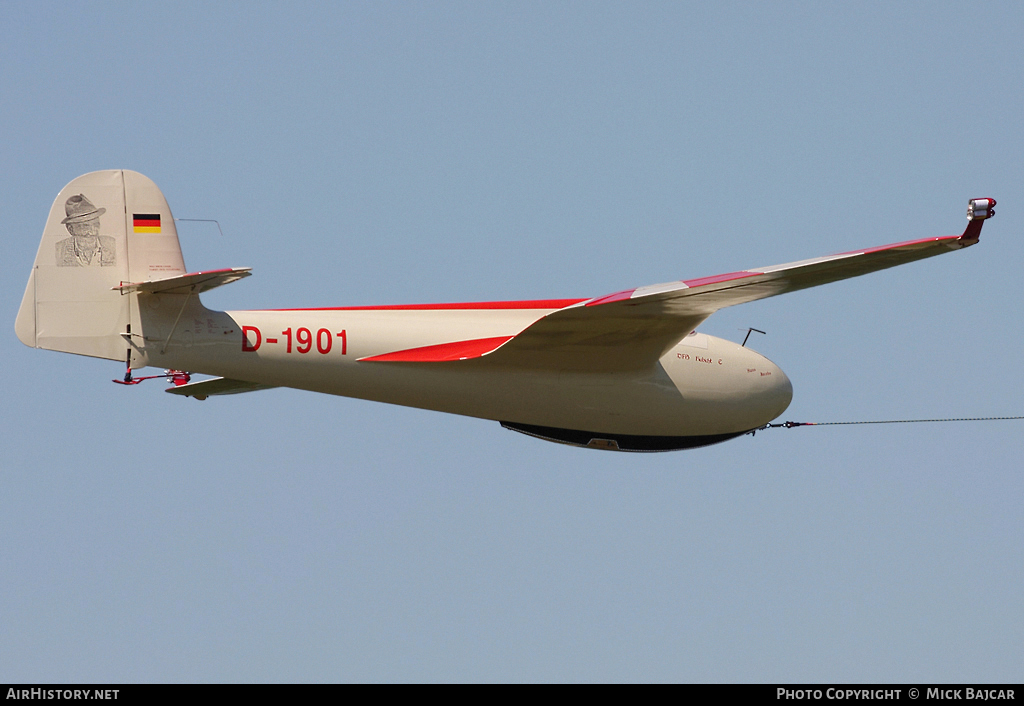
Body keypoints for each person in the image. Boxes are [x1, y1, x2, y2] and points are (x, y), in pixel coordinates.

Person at [55, 194, 115, 267]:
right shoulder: (59, 250)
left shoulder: (112, 244)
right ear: (70, 229)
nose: (93, 231)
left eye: (96, 225)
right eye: (85, 226)